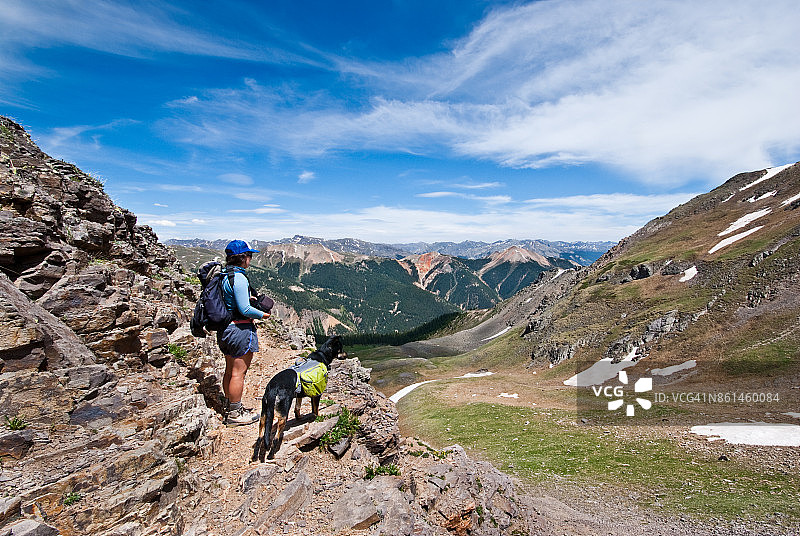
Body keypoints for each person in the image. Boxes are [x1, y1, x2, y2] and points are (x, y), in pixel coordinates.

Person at [218, 239, 268, 426]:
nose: (250, 259)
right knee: (239, 373)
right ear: (243, 258)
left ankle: (229, 405)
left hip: (225, 329)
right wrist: (262, 315)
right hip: (239, 330)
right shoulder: (239, 278)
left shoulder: (224, 275)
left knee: (230, 370)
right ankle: (235, 414)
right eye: (249, 256)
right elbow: (245, 309)